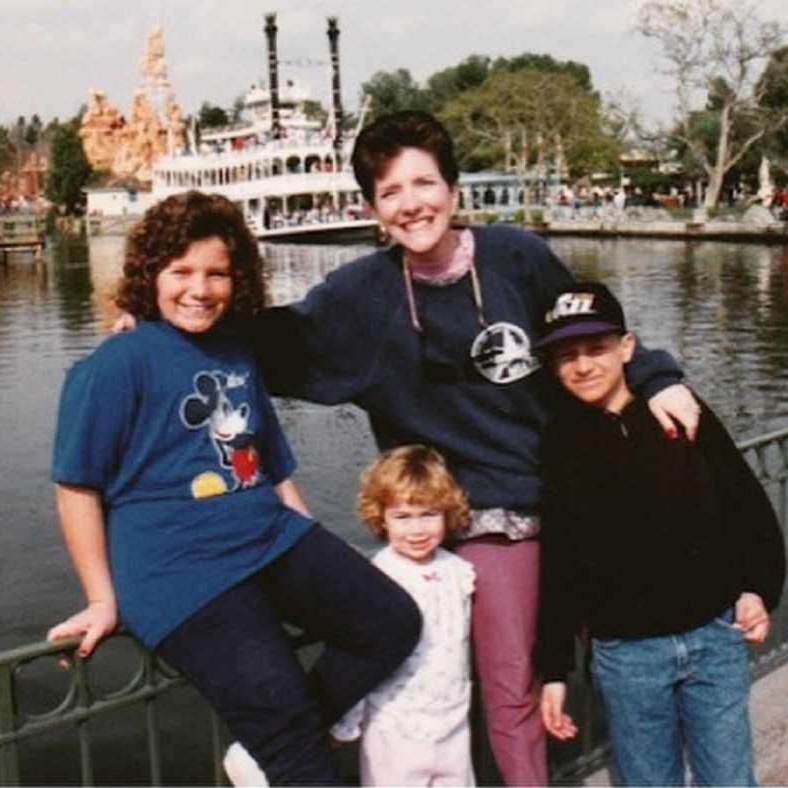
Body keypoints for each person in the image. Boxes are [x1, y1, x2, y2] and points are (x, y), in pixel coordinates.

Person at [114, 111, 700, 785]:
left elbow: (593, 333)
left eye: (424, 183)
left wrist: (658, 377)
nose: (411, 203)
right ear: (372, 208)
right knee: (435, 683)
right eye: (390, 192)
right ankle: (294, 745)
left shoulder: (518, 257)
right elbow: (264, 340)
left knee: (551, 677)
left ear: (454, 190)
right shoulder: (360, 297)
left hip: (554, 502)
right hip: (448, 518)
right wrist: (156, 323)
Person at [46, 192, 421, 787]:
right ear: (151, 275)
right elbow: (76, 488)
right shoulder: (117, 363)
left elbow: (269, 461)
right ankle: (282, 741)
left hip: (266, 537)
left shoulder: (236, 348)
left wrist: (310, 539)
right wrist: (101, 599)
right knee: (295, 742)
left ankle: (265, 747)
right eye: (181, 272)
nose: (200, 289)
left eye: (217, 273)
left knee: (393, 621)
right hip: (181, 573)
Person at [534, 282, 787, 786]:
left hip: (714, 636)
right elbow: (559, 564)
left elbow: (743, 504)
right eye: (567, 355)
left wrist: (757, 587)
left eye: (597, 349)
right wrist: (555, 669)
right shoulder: (560, 442)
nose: (583, 365)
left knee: (731, 778)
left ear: (628, 347)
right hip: (627, 656)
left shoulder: (678, 409)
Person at [327, 444, 476, 786]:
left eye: (429, 514)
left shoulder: (460, 572)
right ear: (381, 518)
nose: (418, 530)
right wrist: (347, 723)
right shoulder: (378, 579)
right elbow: (358, 656)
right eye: (403, 517)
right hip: (394, 728)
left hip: (452, 722)